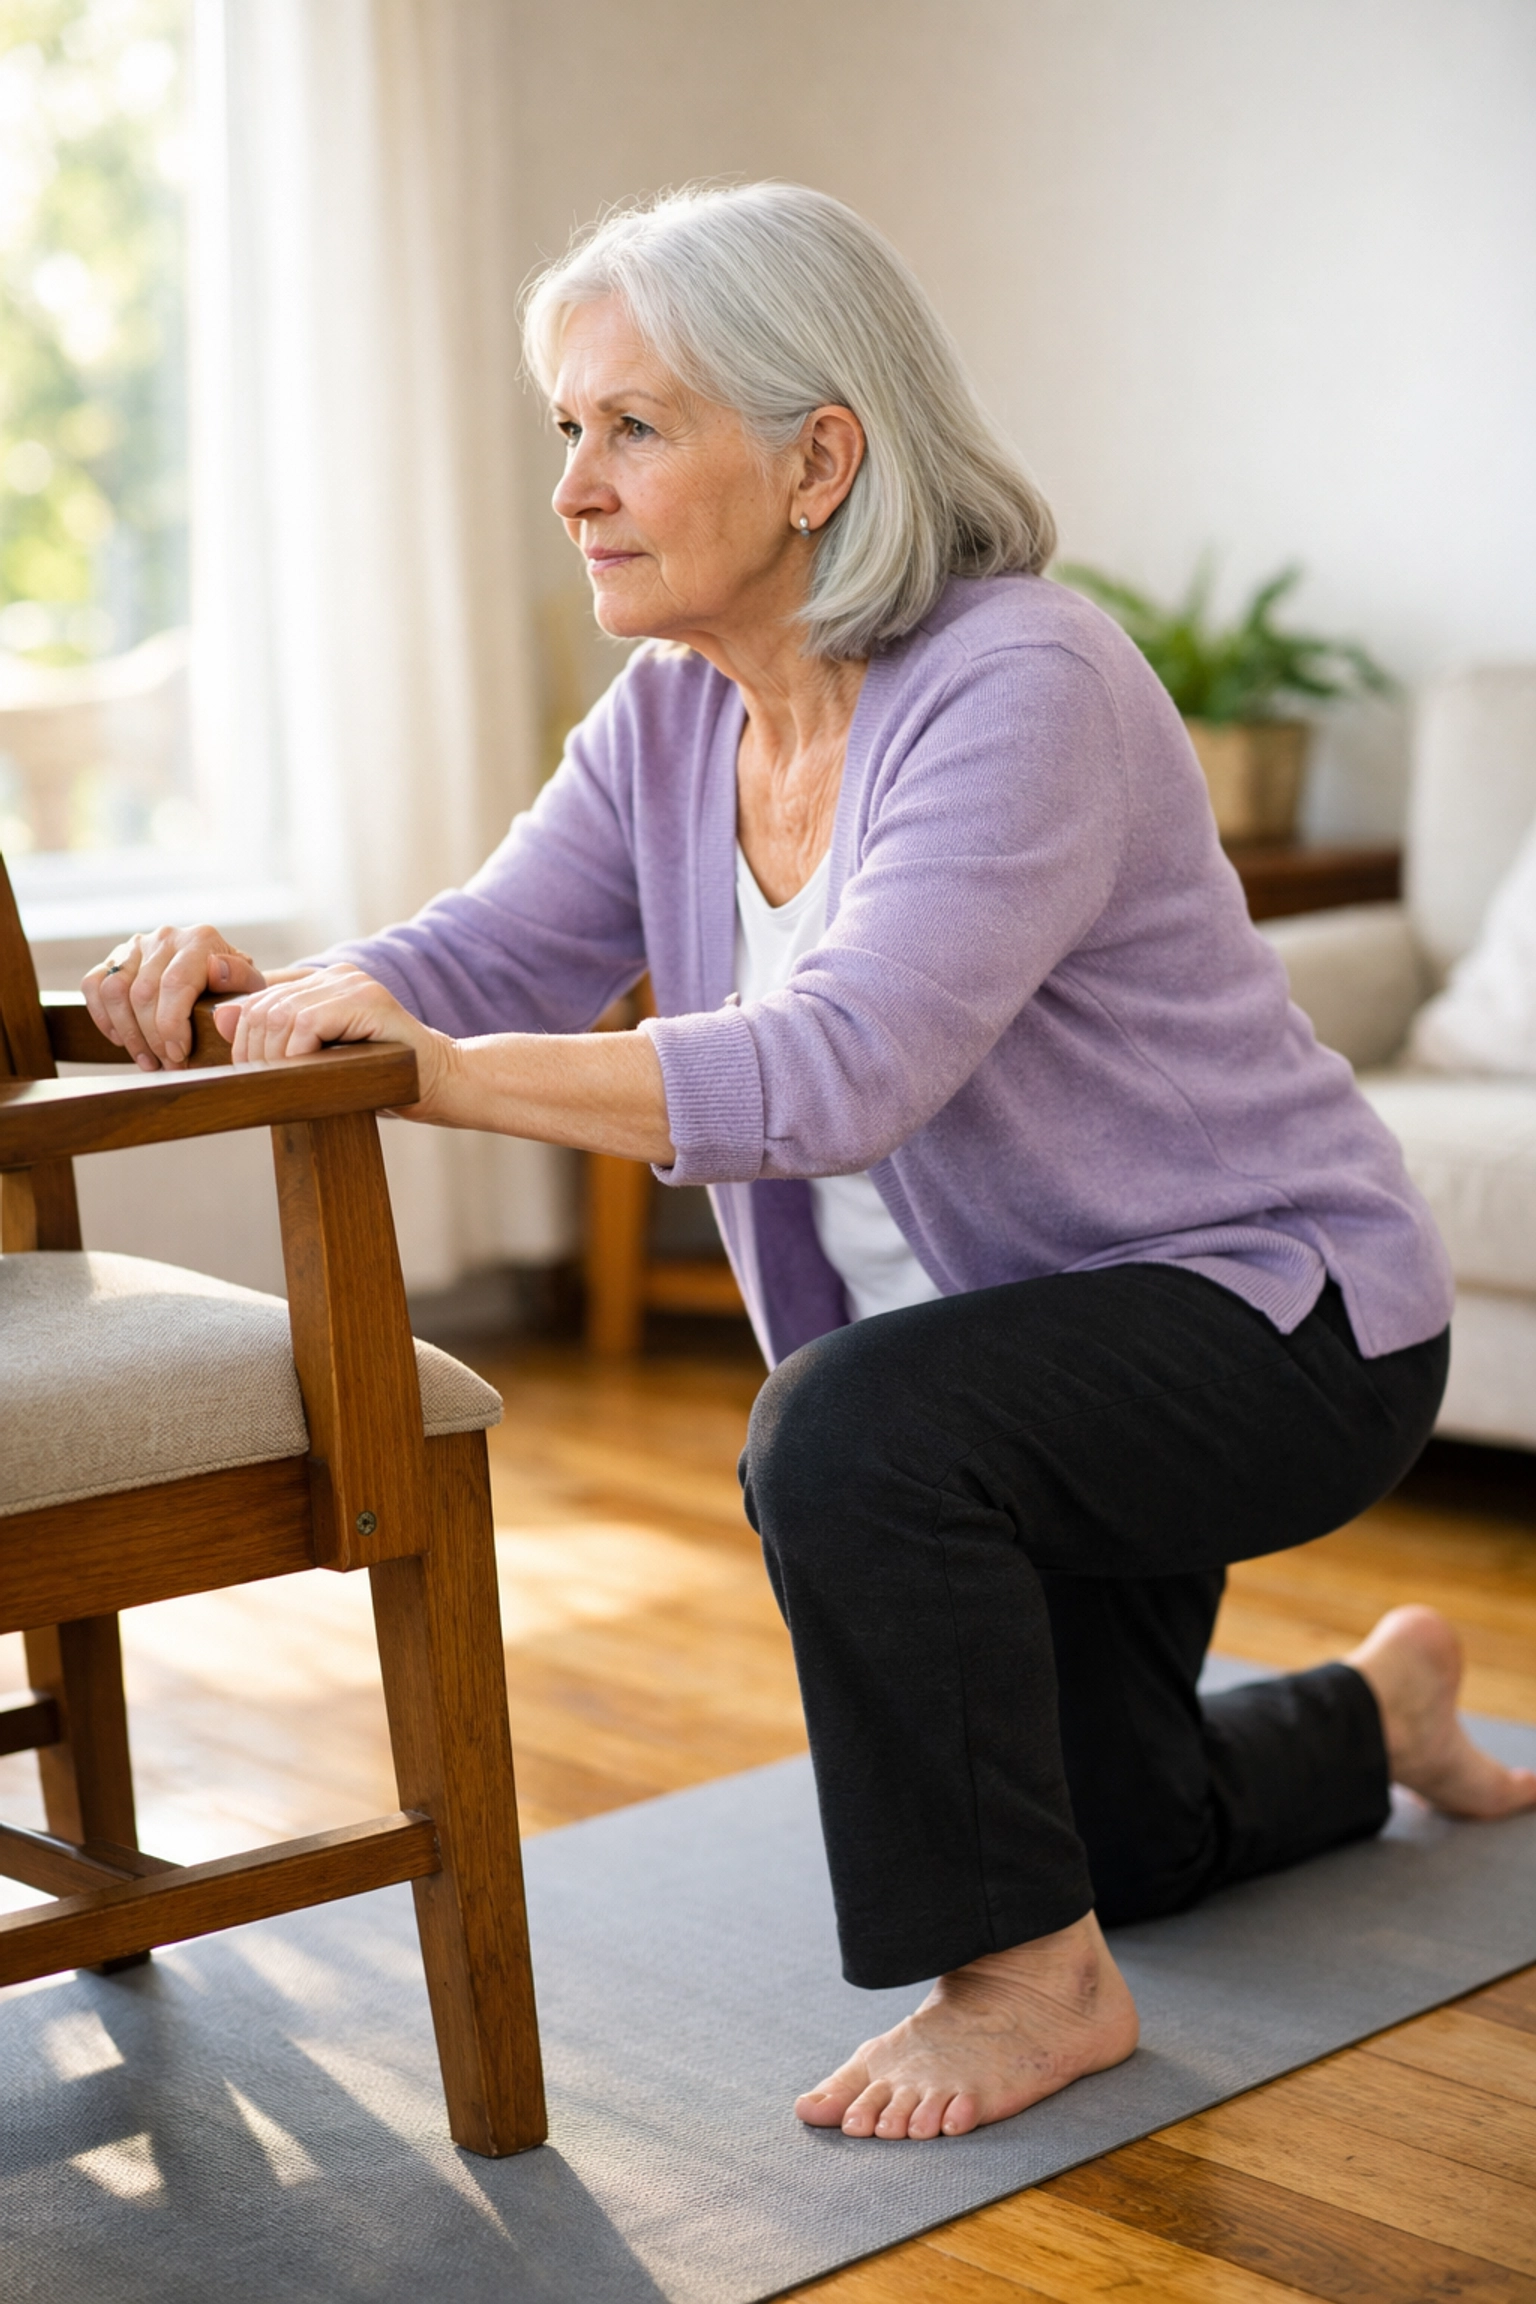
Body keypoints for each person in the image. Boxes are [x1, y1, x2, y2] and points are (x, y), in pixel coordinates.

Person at [84, 183, 1536, 2145]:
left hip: (1279, 1318)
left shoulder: (1027, 680)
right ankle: (1384, 1709)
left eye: (632, 427)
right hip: (1009, 1369)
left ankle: (1026, 1988)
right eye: (565, 434)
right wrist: (278, 991)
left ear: (817, 458)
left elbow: (847, 1066)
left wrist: (430, 1072)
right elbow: (477, 958)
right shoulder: (678, 714)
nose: (575, 486)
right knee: (1125, 1830)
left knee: (845, 1435)